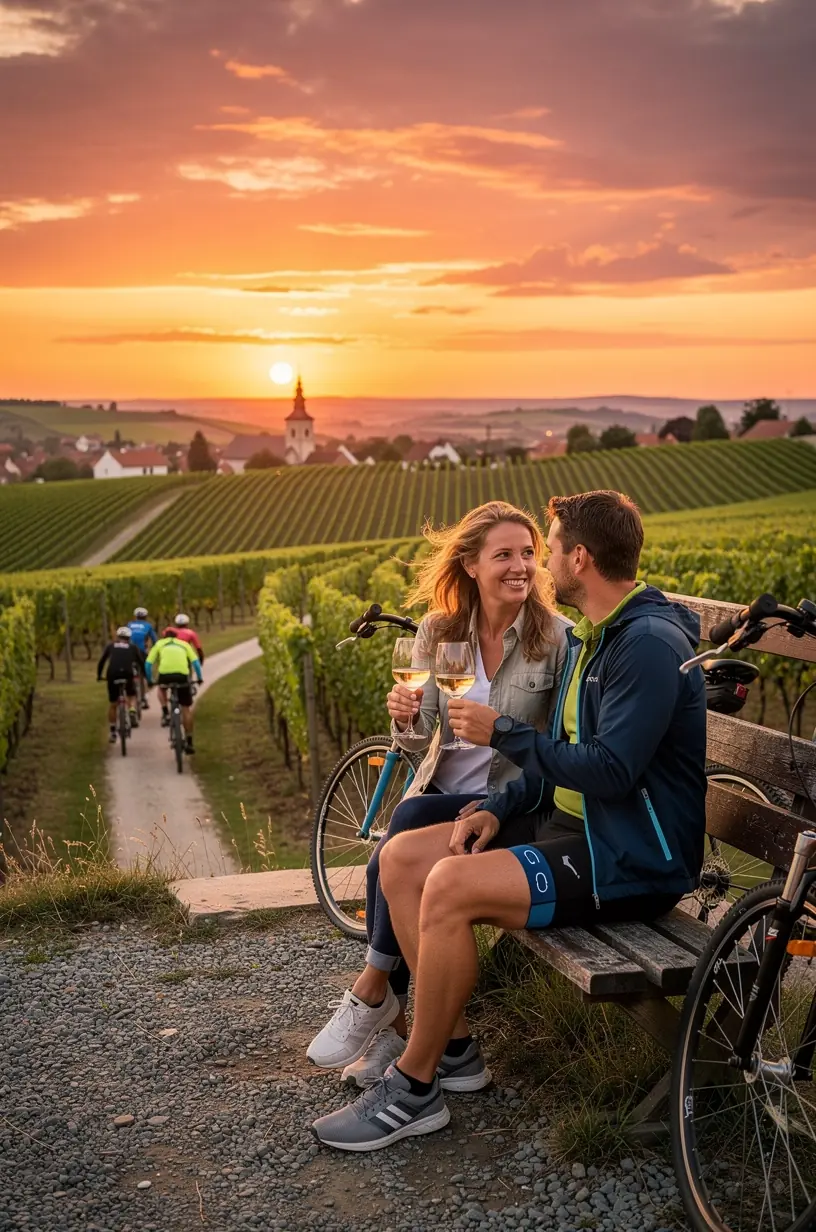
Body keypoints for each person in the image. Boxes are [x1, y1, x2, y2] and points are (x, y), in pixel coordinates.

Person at [312, 489, 708, 1151]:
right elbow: (561, 757)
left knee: (447, 885)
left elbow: (611, 771)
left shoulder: (643, 645)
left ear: (579, 558)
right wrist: (497, 809)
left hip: (628, 857)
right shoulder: (599, 636)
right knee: (404, 858)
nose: (541, 565)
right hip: (575, 827)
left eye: (548, 549)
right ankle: (456, 1052)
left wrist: (503, 733)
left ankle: (414, 1085)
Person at [307, 500, 572, 1088]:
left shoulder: (557, 639)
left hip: (508, 804)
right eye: (503, 555)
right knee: (409, 824)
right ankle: (434, 1037)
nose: (520, 566)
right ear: (471, 565)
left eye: (528, 553)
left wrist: (500, 739)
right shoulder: (438, 630)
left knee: (398, 839)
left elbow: (557, 751)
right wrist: (403, 715)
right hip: (441, 791)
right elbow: (420, 734)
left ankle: (378, 992)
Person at [145, 627, 203, 754]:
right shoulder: (184, 644)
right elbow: (196, 663)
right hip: (182, 676)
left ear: (164, 636)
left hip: (165, 676)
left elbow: (148, 664)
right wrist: (199, 678)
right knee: (186, 709)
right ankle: (189, 741)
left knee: (161, 688)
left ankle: (165, 711)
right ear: (177, 636)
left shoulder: (159, 644)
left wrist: (149, 680)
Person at [97, 626, 146, 743]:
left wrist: (99, 675)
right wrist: (144, 675)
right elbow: (141, 662)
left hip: (112, 674)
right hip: (127, 674)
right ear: (129, 638)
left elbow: (102, 661)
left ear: (118, 637)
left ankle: (113, 731)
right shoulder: (133, 647)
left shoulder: (111, 646)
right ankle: (132, 710)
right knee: (132, 695)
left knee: (113, 704)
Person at [127, 607, 158, 709]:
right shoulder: (148, 626)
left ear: (135, 616)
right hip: (141, 652)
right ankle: (145, 695)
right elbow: (155, 641)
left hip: (129, 652)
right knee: (145, 672)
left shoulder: (129, 625)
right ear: (145, 617)